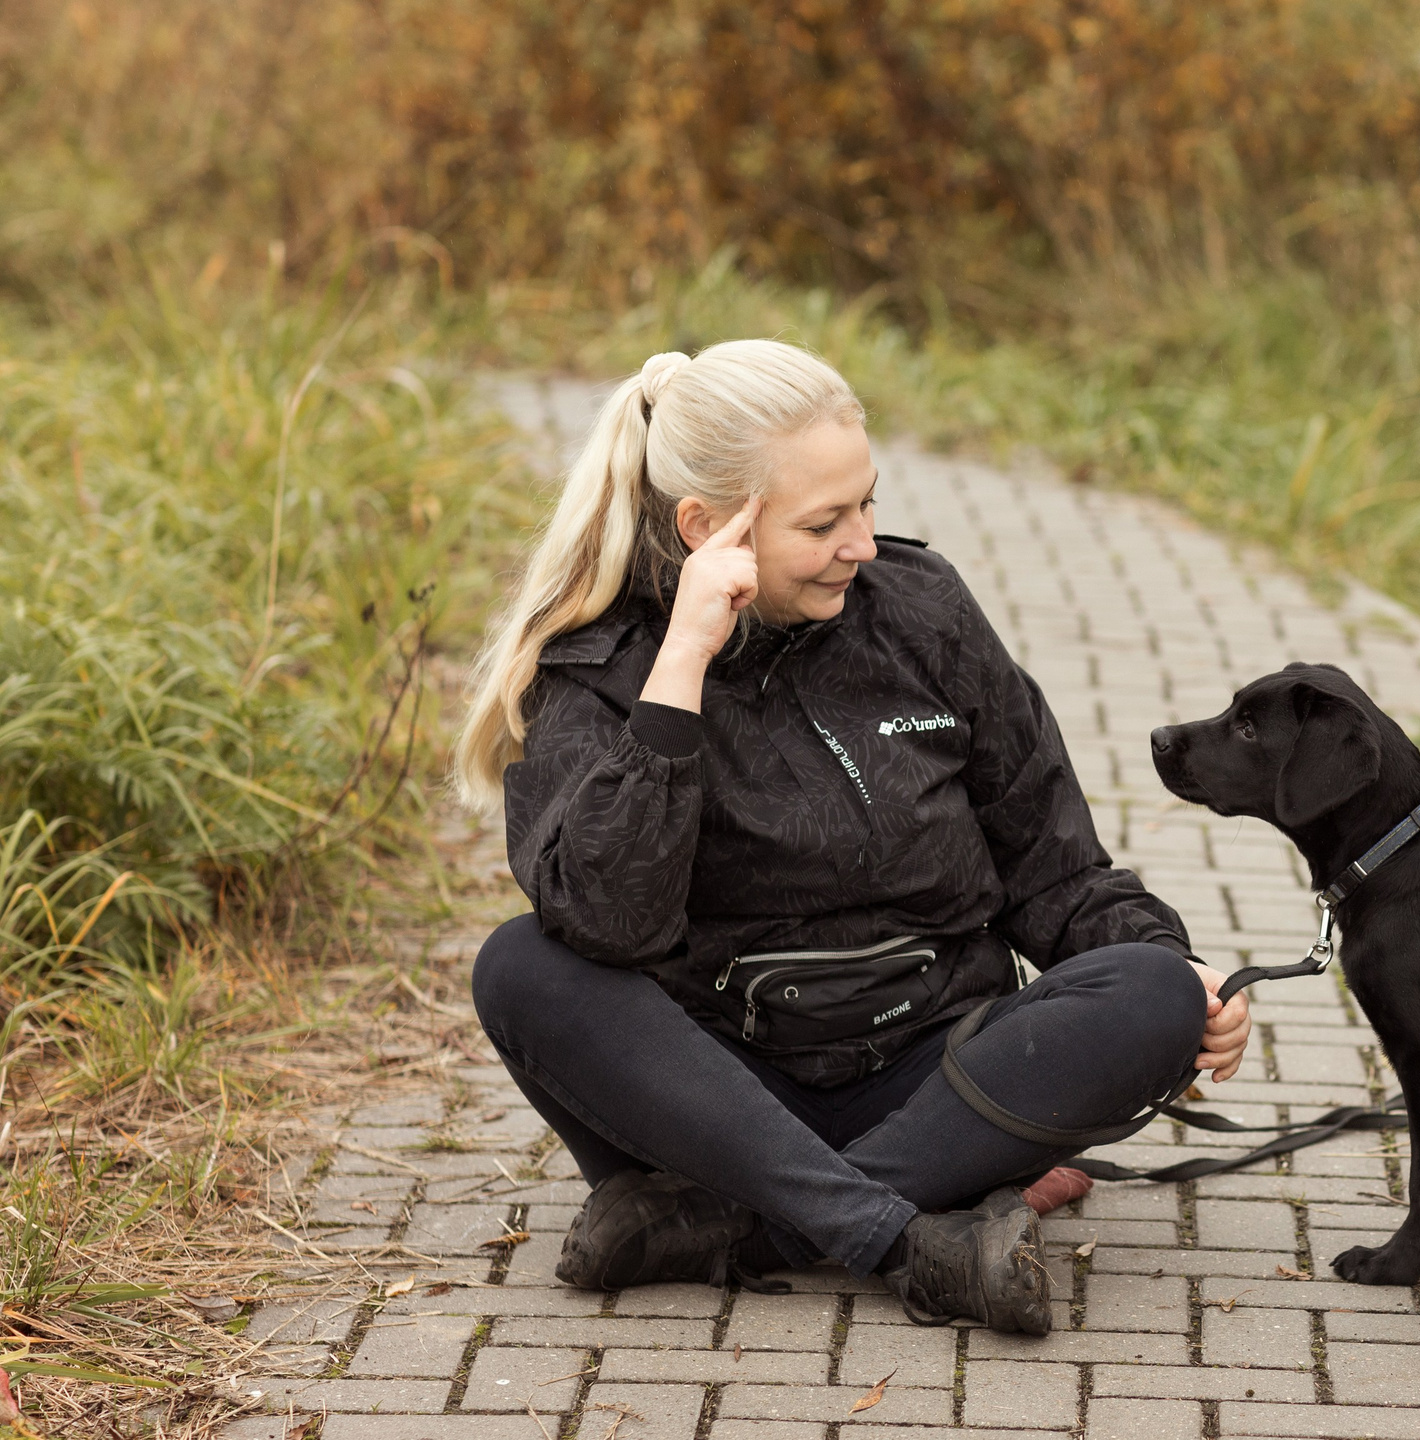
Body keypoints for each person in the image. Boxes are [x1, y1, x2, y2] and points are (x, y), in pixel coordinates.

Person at [453, 340, 1250, 1334]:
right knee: (520, 966)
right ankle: (909, 1237)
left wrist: (1182, 970)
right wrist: (683, 666)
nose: (863, 544)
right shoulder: (598, 668)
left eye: (867, 504)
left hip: (938, 1078)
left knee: (1152, 988)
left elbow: (1053, 870)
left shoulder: (922, 612)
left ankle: (733, 1228)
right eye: (823, 523)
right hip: (715, 1101)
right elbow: (610, 925)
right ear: (707, 528)